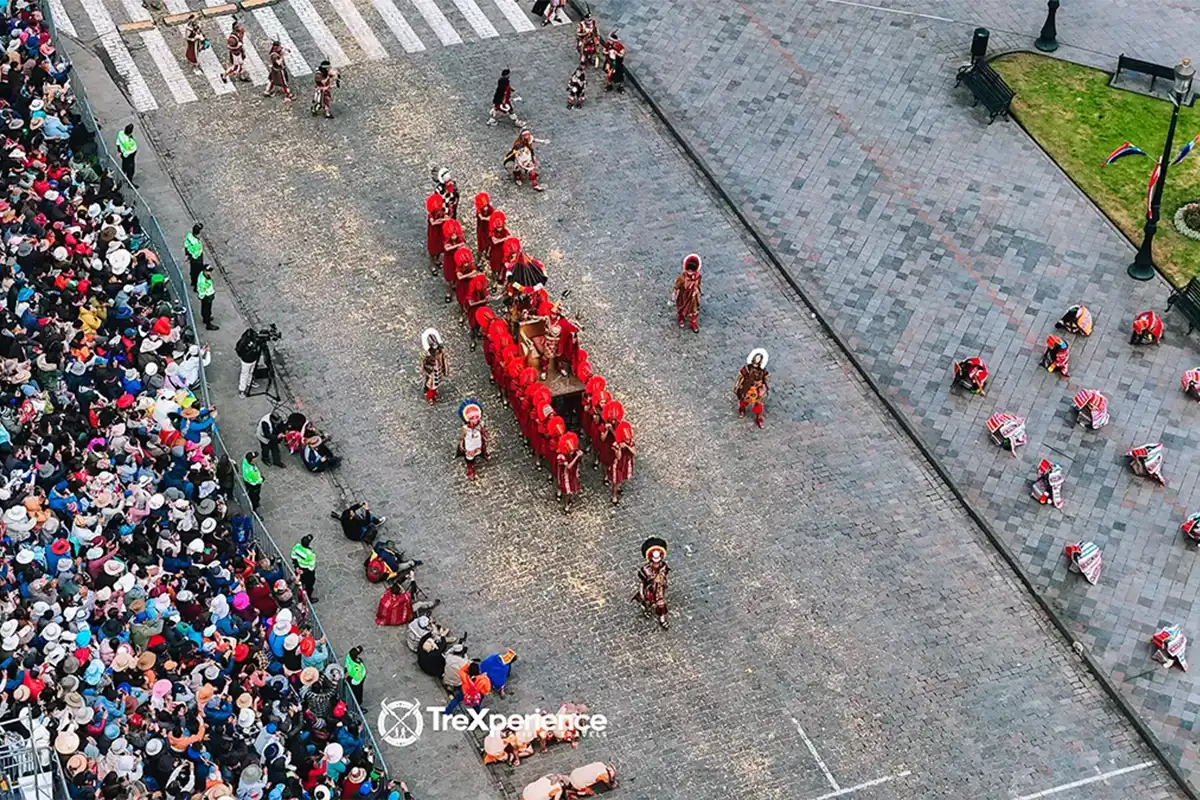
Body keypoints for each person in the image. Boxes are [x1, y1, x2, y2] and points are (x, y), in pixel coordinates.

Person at [634, 537, 669, 629]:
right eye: (655, 558)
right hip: (649, 590)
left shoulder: (664, 567)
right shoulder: (645, 570)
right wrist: (641, 592)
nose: (657, 560)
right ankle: (647, 610)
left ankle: (662, 619)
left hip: (660, 590)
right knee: (648, 602)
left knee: (661, 604)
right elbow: (642, 582)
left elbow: (665, 576)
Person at [735, 348, 769, 428]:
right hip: (747, 387)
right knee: (744, 400)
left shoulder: (762, 371)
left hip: (757, 389)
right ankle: (742, 409)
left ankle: (758, 419)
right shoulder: (747, 369)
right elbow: (741, 376)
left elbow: (765, 380)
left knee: (758, 405)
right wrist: (737, 385)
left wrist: (763, 387)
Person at [457, 399, 489, 480]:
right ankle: (470, 469)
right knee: (470, 458)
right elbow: (461, 437)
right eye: (472, 418)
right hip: (470, 446)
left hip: (478, 443)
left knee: (480, 451)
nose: (475, 420)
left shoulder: (481, 424)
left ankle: (483, 454)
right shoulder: (465, 428)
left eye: (476, 417)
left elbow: (484, 431)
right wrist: (461, 444)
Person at [671, 254, 702, 331]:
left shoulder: (698, 277)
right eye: (688, 270)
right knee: (682, 308)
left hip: (693, 297)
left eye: (692, 271)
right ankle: (681, 319)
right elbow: (676, 287)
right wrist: (674, 294)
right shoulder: (682, 278)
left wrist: (697, 292)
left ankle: (693, 324)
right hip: (683, 296)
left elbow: (698, 284)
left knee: (694, 310)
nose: (690, 272)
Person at [609, 420, 635, 506]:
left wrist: (627, 446)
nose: (628, 440)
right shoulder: (616, 444)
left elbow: (634, 453)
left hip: (626, 462)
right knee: (616, 481)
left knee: (621, 480)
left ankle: (617, 489)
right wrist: (620, 447)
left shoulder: (630, 441)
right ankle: (614, 495)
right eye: (626, 439)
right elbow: (618, 456)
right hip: (618, 464)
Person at [555, 433, 581, 513]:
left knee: (571, 487)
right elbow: (568, 467)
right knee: (567, 490)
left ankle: (569, 499)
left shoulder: (574, 452)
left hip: (572, 473)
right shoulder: (561, 457)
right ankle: (566, 505)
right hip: (565, 475)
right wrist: (577, 457)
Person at [421, 328, 448, 404]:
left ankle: (433, 396)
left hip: (438, 369)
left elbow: (443, 360)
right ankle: (430, 398)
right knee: (432, 386)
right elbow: (425, 365)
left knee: (436, 385)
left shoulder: (440, 351)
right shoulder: (428, 356)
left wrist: (444, 369)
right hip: (433, 372)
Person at [291, 534, 319, 601]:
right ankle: (308, 598)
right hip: (307, 573)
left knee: (300, 581)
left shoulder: (296, 547)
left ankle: (299, 589)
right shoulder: (310, 555)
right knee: (309, 585)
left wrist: (297, 567)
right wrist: (303, 571)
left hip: (298, 568)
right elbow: (311, 568)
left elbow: (293, 557)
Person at [236, 328, 263, 396]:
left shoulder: (254, 340)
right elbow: (239, 350)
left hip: (253, 359)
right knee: (244, 374)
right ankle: (242, 389)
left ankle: (249, 382)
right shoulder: (243, 343)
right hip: (246, 361)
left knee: (251, 372)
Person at [427, 193, 447, 276]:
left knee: (440, 246)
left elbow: (447, 217)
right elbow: (433, 222)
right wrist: (441, 220)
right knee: (432, 249)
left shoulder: (442, 212)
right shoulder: (430, 214)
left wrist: (440, 220)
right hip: (433, 233)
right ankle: (432, 264)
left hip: (440, 232)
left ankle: (437, 260)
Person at [196, 263, 219, 331]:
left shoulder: (203, 275)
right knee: (207, 310)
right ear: (204, 271)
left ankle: (205, 319)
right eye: (208, 271)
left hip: (206, 295)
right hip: (206, 296)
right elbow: (202, 289)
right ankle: (208, 324)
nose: (210, 273)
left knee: (204, 308)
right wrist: (203, 296)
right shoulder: (203, 281)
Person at [185, 222, 206, 291]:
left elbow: (186, 245)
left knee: (192, 271)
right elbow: (196, 254)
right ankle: (196, 287)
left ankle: (193, 282)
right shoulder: (197, 243)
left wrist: (187, 254)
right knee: (198, 273)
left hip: (192, 258)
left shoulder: (189, 235)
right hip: (197, 259)